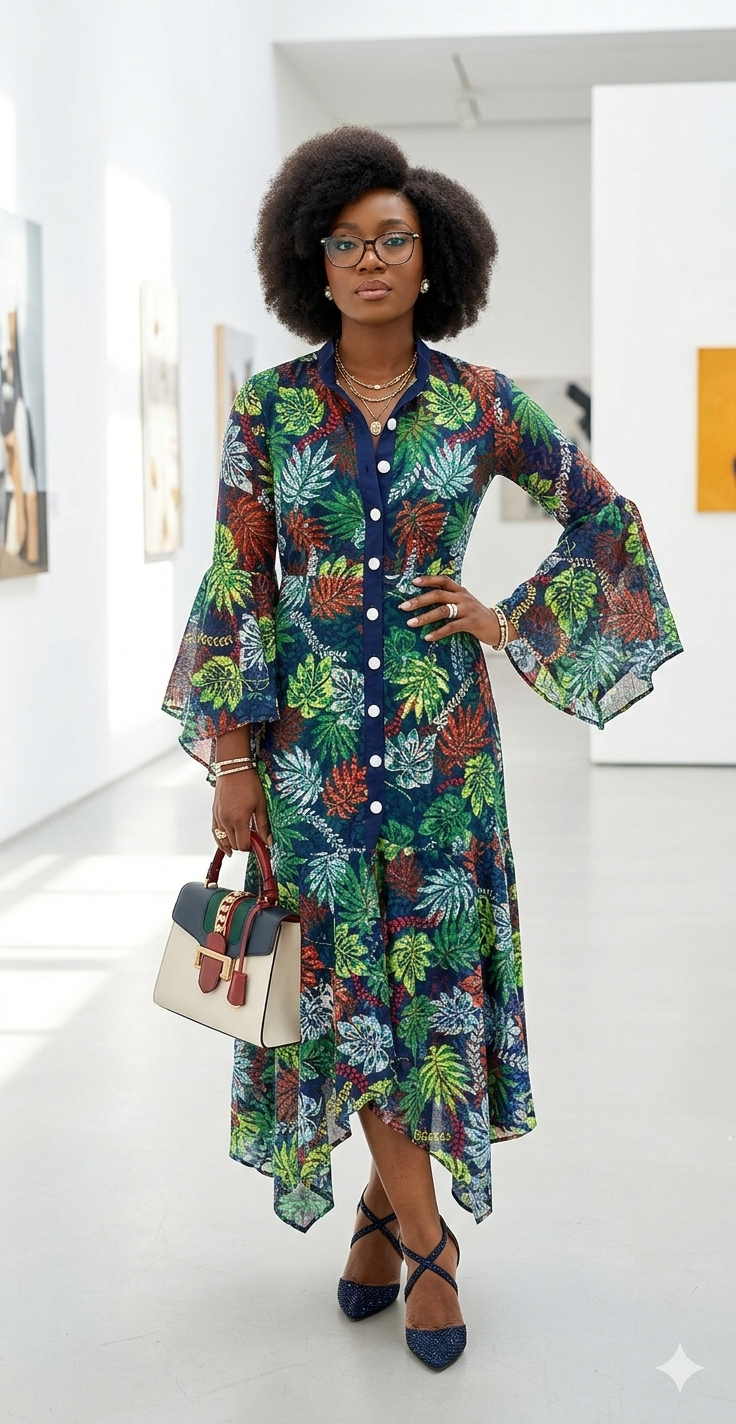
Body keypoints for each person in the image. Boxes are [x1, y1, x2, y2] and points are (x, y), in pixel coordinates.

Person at [163, 127, 682, 1370]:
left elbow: (603, 514)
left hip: (442, 755)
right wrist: (233, 760)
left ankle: (383, 1220)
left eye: (390, 238)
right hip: (309, 760)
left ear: (430, 254)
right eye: (344, 242)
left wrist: (506, 620)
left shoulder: (481, 401)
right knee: (340, 983)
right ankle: (429, 1236)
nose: (368, 260)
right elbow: (238, 578)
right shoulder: (270, 407)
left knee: (421, 981)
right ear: (312, 263)